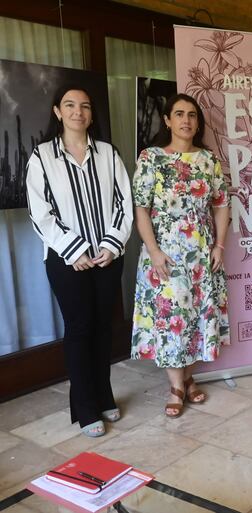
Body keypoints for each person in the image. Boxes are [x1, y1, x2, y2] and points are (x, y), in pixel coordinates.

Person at [26, 84, 133, 437]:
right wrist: (74, 250)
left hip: (106, 257)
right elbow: (40, 213)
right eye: (69, 105)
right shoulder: (41, 157)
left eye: (85, 106)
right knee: (79, 330)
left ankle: (104, 396)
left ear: (91, 114)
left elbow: (124, 203)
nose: (78, 112)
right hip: (66, 260)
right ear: (58, 111)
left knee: (104, 328)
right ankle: (85, 408)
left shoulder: (107, 153)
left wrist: (111, 245)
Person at [131, 93, 230, 418]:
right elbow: (141, 208)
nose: (186, 120)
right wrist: (154, 251)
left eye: (192, 115)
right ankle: (176, 386)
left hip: (201, 256)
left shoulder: (209, 160)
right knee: (171, 320)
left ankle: (188, 379)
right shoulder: (151, 158)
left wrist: (219, 246)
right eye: (179, 114)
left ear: (197, 122)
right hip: (165, 257)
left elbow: (221, 204)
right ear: (168, 120)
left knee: (196, 318)